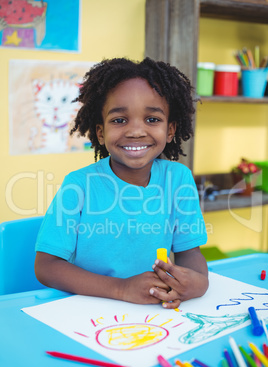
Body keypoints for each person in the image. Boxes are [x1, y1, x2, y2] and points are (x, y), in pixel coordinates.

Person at [35, 57, 208, 309]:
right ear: (100, 132)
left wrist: (199, 282)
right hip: (91, 310)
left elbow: (189, 253)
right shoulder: (79, 185)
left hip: (154, 314)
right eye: (119, 120)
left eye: (152, 119)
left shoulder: (178, 178)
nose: (136, 131)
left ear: (170, 130)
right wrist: (121, 288)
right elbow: (46, 266)